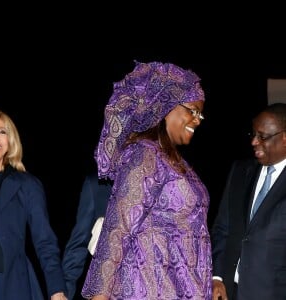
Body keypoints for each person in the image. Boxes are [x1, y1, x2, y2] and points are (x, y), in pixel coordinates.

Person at [81, 61, 212, 299]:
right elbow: (118, 227)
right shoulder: (144, 154)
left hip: (182, 289)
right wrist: (99, 294)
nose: (198, 119)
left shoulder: (175, 162)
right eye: (192, 110)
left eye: (200, 113)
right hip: (150, 289)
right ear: (166, 106)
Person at [0, 107, 67, 300]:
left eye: (2, 131)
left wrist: (57, 291)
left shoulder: (27, 185)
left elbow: (45, 241)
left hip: (13, 285)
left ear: (10, 140)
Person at [211, 103, 286, 300]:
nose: (254, 142)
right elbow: (222, 229)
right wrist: (217, 277)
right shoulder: (239, 171)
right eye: (253, 134)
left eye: (262, 136)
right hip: (229, 292)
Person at [62, 167, 112, 300]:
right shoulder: (97, 183)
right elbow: (79, 241)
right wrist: (63, 291)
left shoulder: (161, 178)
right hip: (105, 284)